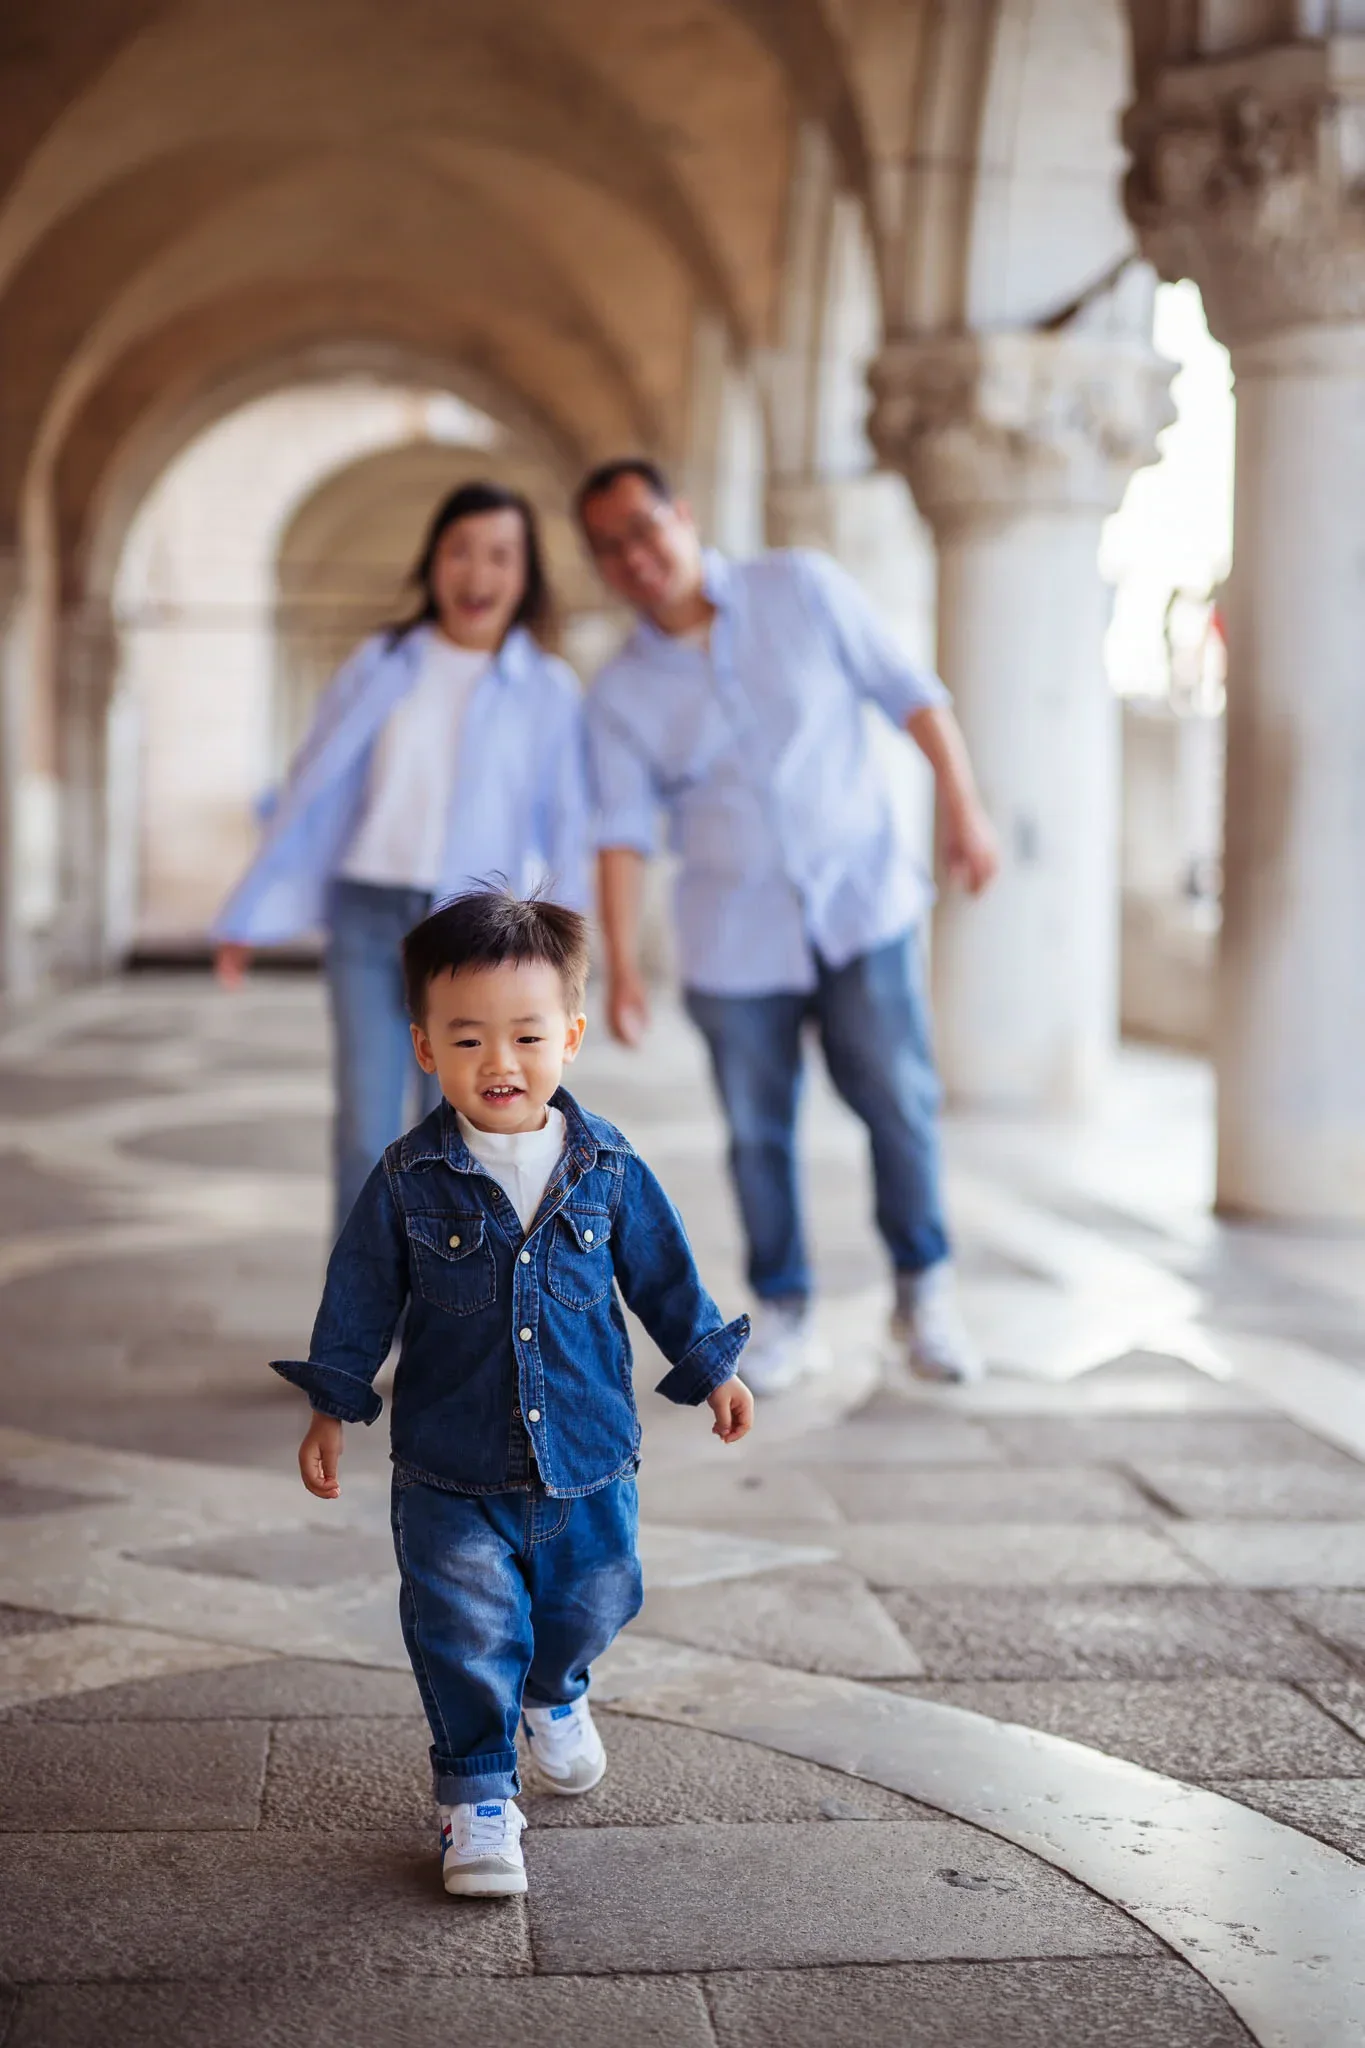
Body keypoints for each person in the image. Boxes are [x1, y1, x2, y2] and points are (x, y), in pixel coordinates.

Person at [273, 889, 752, 1898]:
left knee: (598, 1595)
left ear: (570, 1036)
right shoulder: (408, 1178)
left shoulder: (607, 1166)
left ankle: (557, 1686)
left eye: (527, 1034)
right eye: (469, 1037)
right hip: (450, 1465)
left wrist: (712, 1365)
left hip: (587, 1457)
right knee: (462, 1622)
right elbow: (360, 1296)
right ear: (424, 1048)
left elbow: (664, 1274)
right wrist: (333, 1401)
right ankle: (479, 1796)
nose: (500, 1061)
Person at [577, 458, 999, 1395]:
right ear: (601, 568)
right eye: (610, 549)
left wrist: (963, 810)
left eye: (644, 529)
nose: (636, 557)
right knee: (758, 1130)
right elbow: (620, 830)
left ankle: (923, 1292)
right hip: (733, 936)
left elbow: (907, 691)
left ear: (682, 514)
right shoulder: (617, 695)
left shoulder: (799, 587)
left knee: (898, 1100)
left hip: (861, 903)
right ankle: (782, 1311)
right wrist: (622, 968)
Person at [213, 482, 589, 1233]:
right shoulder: (380, 662)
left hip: (473, 932)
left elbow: (570, 826)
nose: (476, 573)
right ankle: (357, 1330)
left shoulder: (547, 688)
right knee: (363, 1127)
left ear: (525, 576)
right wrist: (247, 909)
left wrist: (564, 964)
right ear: (432, 563)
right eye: (459, 551)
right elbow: (309, 790)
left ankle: (446, 1327)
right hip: (367, 913)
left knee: (459, 1130)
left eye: (499, 555)